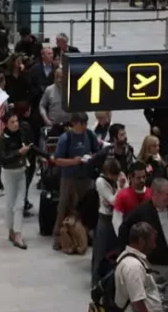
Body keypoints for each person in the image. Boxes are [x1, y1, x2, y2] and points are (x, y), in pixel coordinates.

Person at [119, 178, 168, 282]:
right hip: (153, 266)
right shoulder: (141, 212)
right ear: (156, 194)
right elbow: (123, 232)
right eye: (167, 194)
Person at [51, 112, 100, 251]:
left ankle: (84, 234)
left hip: (86, 177)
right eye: (81, 124)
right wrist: (74, 161)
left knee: (86, 207)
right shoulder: (65, 138)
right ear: (74, 124)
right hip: (69, 178)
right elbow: (57, 160)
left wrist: (90, 158)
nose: (84, 126)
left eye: (85, 123)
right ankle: (57, 235)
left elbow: (96, 152)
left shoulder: (90, 135)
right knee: (64, 206)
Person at [0, 111, 35, 249]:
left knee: (19, 204)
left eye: (16, 121)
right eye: (12, 122)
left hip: (21, 172)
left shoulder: (22, 133)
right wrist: (18, 153)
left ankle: (18, 233)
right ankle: (11, 230)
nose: (15, 124)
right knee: (10, 203)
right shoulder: (2, 139)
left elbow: (30, 146)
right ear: (6, 124)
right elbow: (3, 159)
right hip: (8, 174)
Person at [115, 222, 163, 312]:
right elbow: (137, 303)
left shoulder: (129, 258)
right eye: (152, 241)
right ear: (141, 241)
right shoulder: (133, 266)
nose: (154, 245)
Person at [93, 158, 122, 285]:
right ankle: (96, 283)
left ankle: (111, 283)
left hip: (117, 218)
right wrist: (121, 187)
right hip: (105, 219)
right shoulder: (100, 181)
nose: (116, 177)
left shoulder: (119, 178)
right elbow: (114, 201)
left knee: (114, 252)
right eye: (114, 175)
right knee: (101, 254)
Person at [114, 162, 152, 234]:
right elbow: (117, 220)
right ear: (130, 177)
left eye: (144, 177)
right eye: (138, 178)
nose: (142, 180)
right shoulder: (122, 196)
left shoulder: (151, 193)